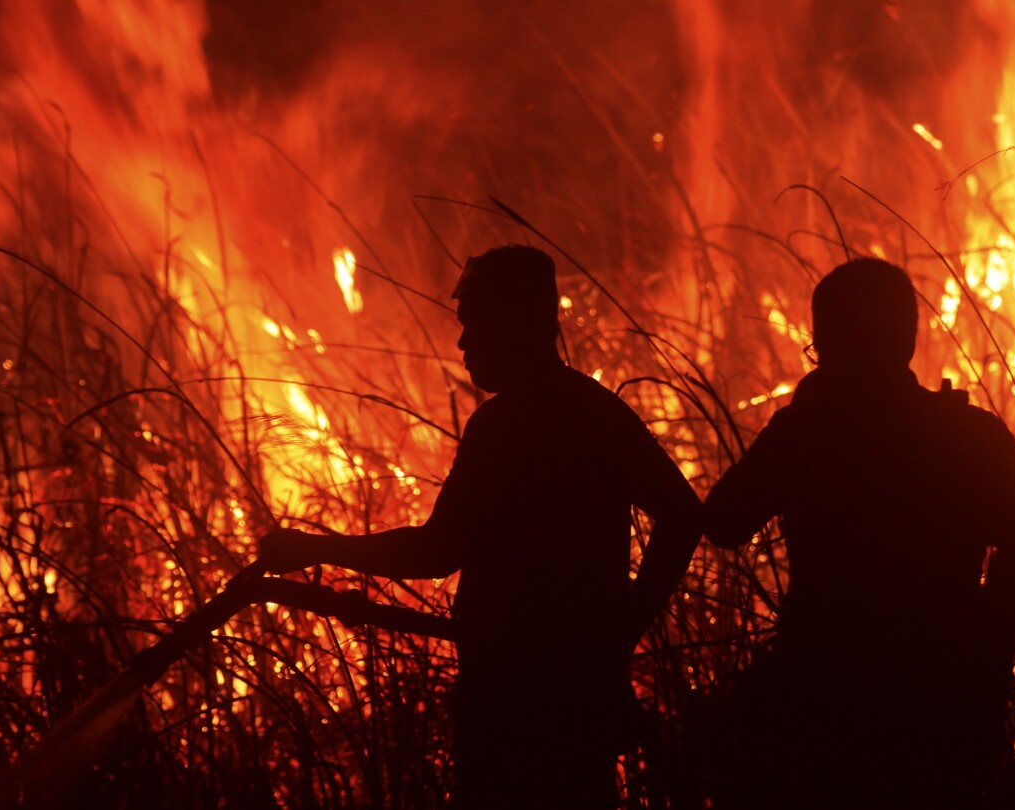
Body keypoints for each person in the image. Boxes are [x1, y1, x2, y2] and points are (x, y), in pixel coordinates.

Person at [258, 245, 702, 809]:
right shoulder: (595, 411)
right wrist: (622, 624)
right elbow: (684, 515)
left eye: (476, 324)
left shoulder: (504, 426)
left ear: (521, 322)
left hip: (511, 697)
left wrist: (312, 548)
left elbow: (436, 551)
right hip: (579, 690)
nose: (464, 343)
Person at [703, 258, 1015, 806]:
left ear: (826, 342)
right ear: (908, 339)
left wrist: (807, 407)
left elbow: (723, 522)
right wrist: (984, 648)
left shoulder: (807, 433)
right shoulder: (970, 434)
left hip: (823, 691)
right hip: (939, 693)